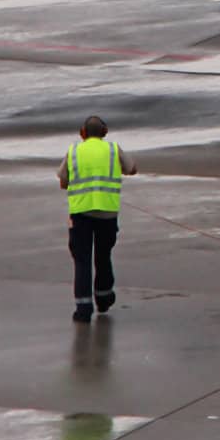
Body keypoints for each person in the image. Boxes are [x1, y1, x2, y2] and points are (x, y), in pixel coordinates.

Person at [58, 115, 136, 323]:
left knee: (82, 260)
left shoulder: (74, 151)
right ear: (105, 132)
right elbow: (132, 169)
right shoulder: (113, 149)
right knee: (103, 255)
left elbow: (63, 181)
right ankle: (103, 297)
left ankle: (83, 309)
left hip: (81, 213)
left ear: (82, 133)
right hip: (107, 212)